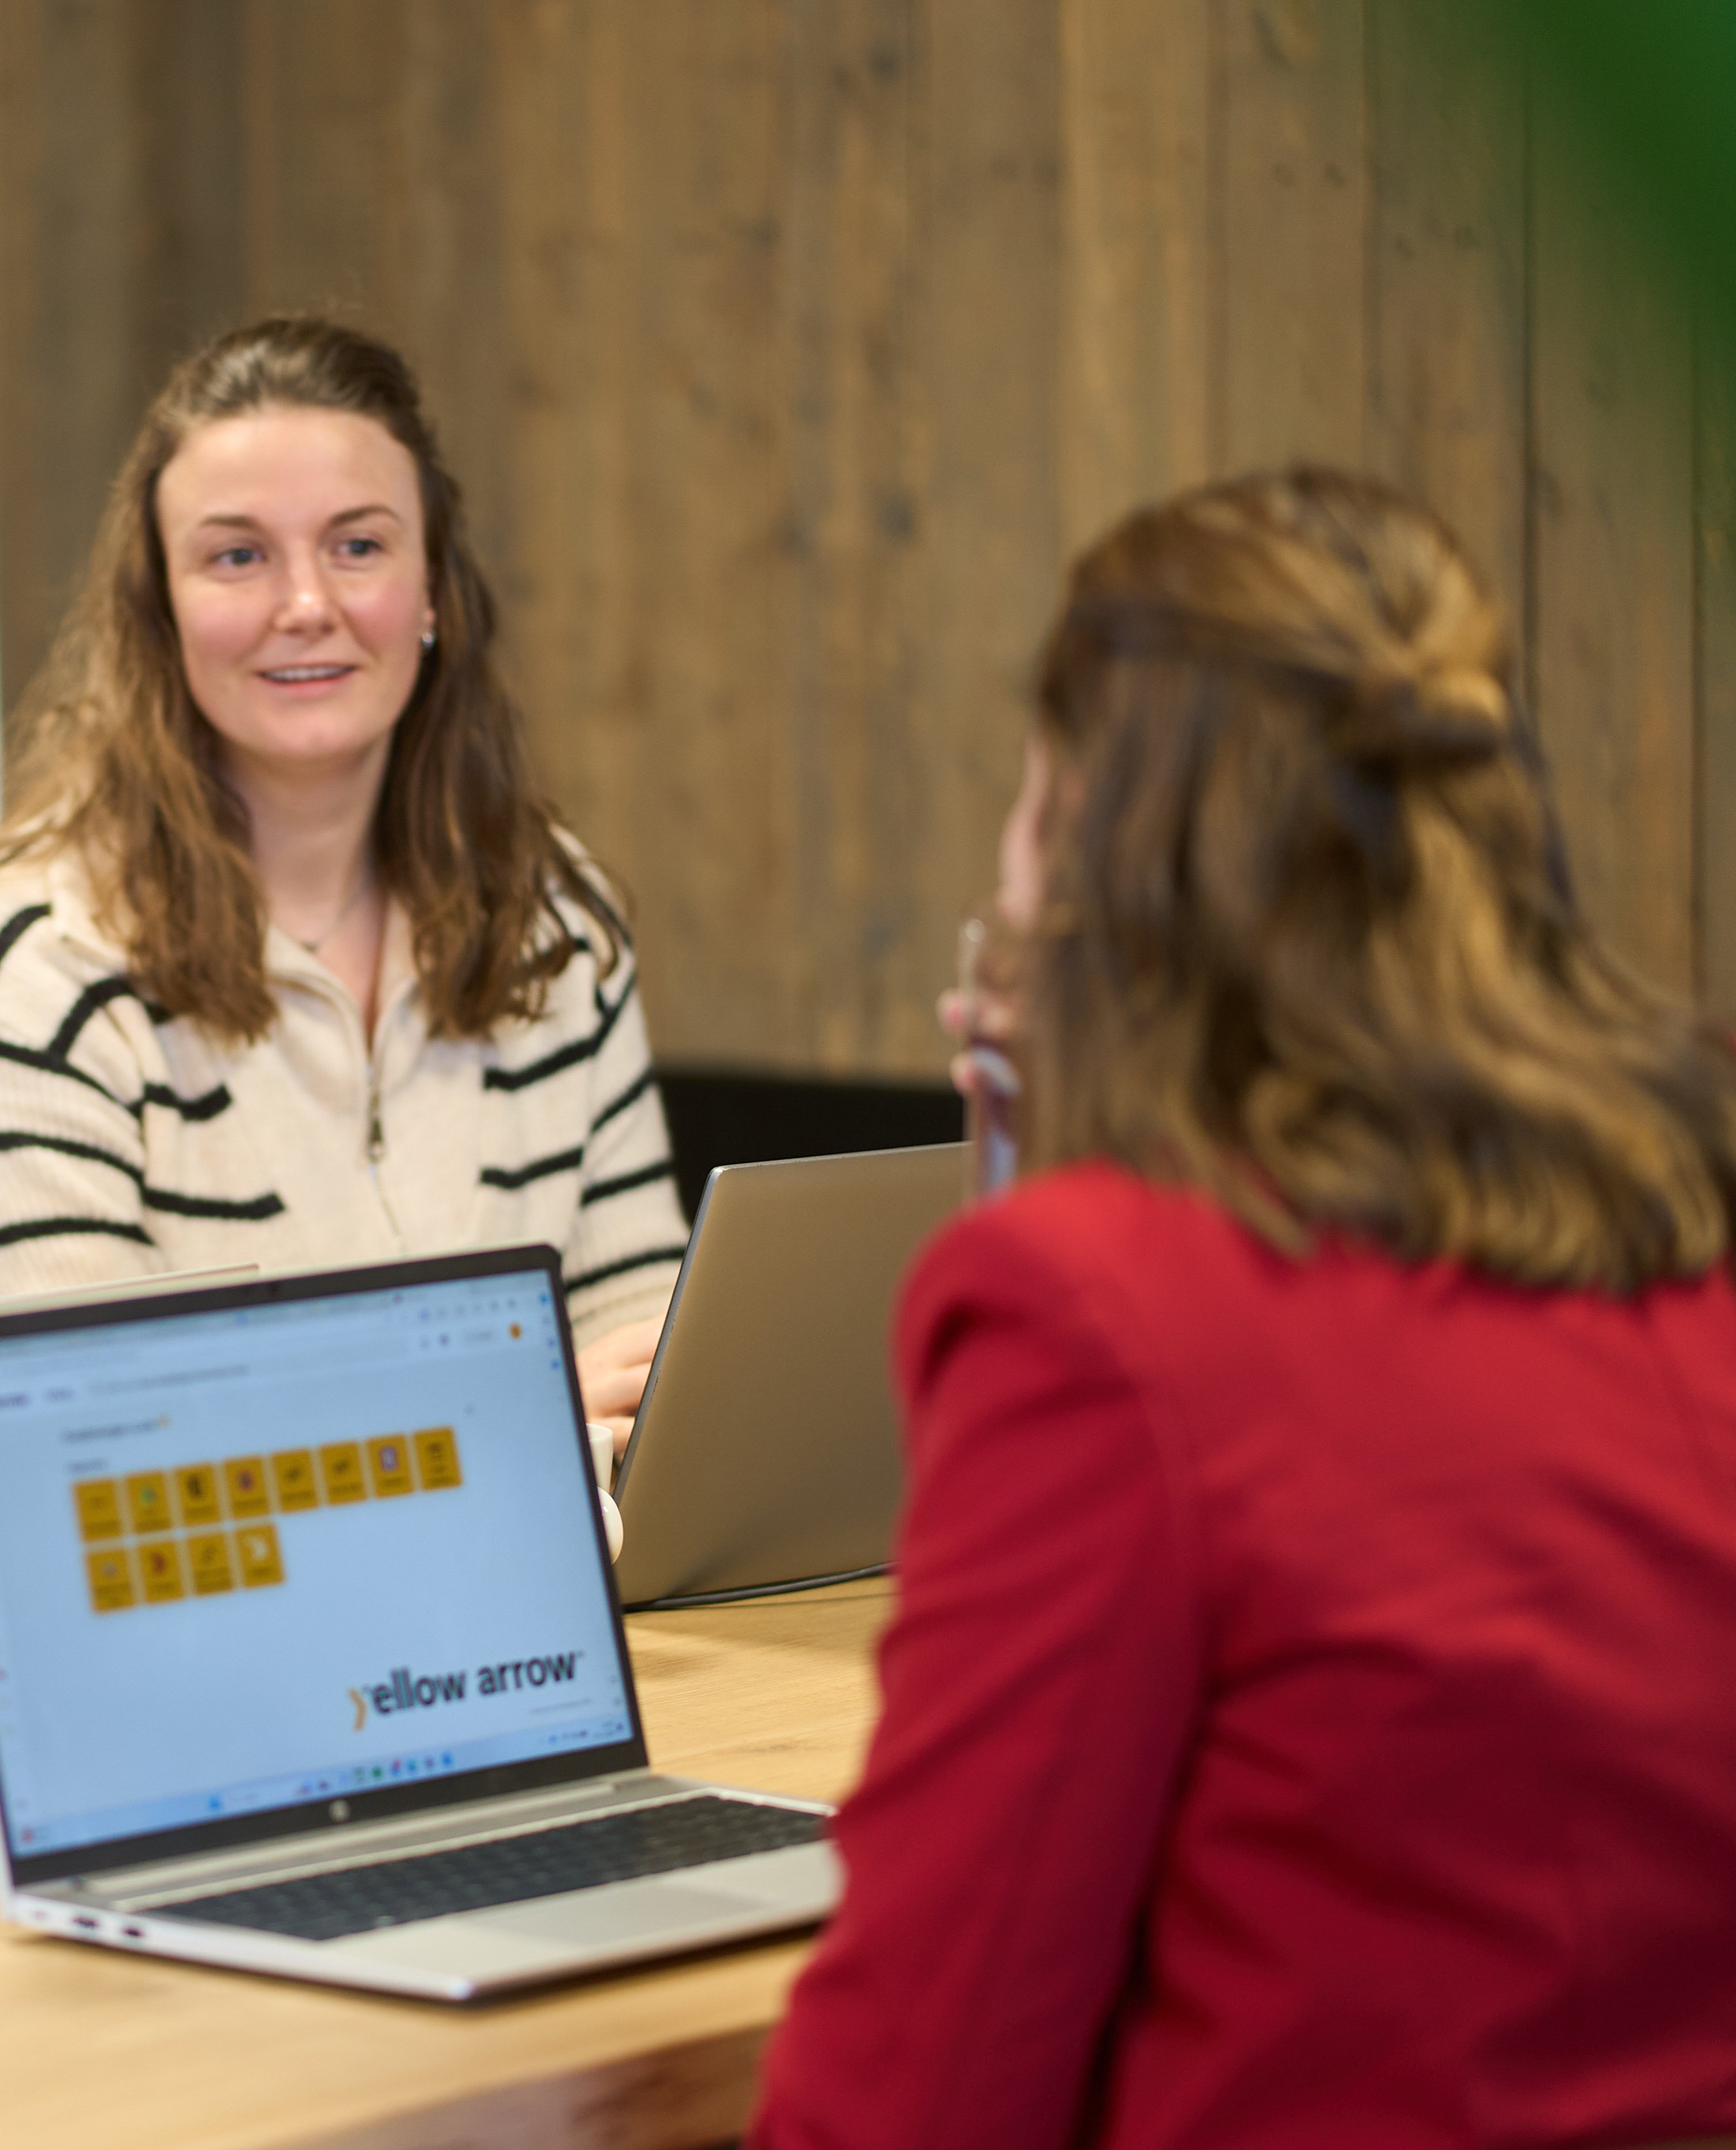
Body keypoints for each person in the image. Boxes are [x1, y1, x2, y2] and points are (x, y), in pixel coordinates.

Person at [749, 469, 1736, 2145]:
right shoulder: (1686, 1197)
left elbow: (918, 2087)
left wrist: (1044, 1221)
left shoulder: (1105, 1302)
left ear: (1093, 830)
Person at [0, 317, 686, 1416]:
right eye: (238, 555)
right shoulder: (14, 966)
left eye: (358, 545)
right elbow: (79, 1442)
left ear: (432, 591)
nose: (307, 605)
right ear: (160, 611)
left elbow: (647, 1368)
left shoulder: (554, 919)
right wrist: (515, 1407)